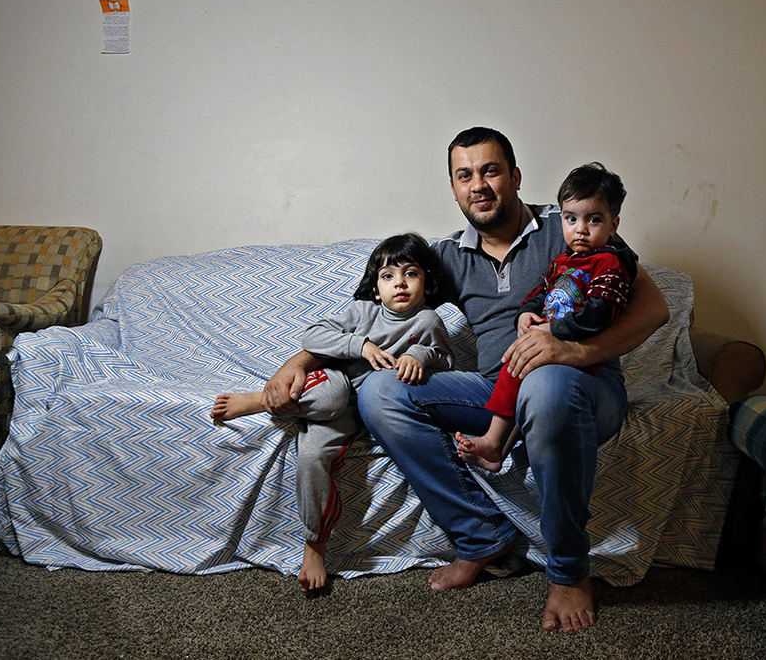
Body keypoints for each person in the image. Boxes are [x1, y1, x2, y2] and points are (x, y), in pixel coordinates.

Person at [261, 127, 668, 632]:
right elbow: (377, 315)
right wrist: (300, 359)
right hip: (496, 390)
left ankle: (568, 572)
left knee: (546, 383)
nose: (479, 185)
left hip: (581, 385)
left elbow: (654, 308)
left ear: (515, 177)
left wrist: (573, 348)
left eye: (491, 170)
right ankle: (480, 536)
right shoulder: (448, 256)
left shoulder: (568, 224)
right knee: (380, 389)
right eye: (464, 175)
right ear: (453, 189)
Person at [211, 232, 454, 591]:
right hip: (338, 387)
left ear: (427, 283)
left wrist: (419, 355)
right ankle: (263, 402)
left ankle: (314, 543)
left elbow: (447, 361)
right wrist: (361, 344)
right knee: (322, 417)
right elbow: (313, 337)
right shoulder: (362, 312)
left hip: (370, 412)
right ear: (375, 288)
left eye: (410, 274)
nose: (399, 283)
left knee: (311, 453)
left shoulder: (428, 322)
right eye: (388, 276)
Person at [454, 162, 636, 473]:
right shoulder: (565, 260)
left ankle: (495, 441)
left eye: (593, 220)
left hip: (580, 357)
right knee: (521, 363)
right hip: (550, 340)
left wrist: (556, 329)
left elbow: (600, 313)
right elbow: (541, 291)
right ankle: (499, 446)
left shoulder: (610, 262)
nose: (580, 229)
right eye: (571, 219)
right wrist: (526, 313)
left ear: (613, 224)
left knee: (522, 366)